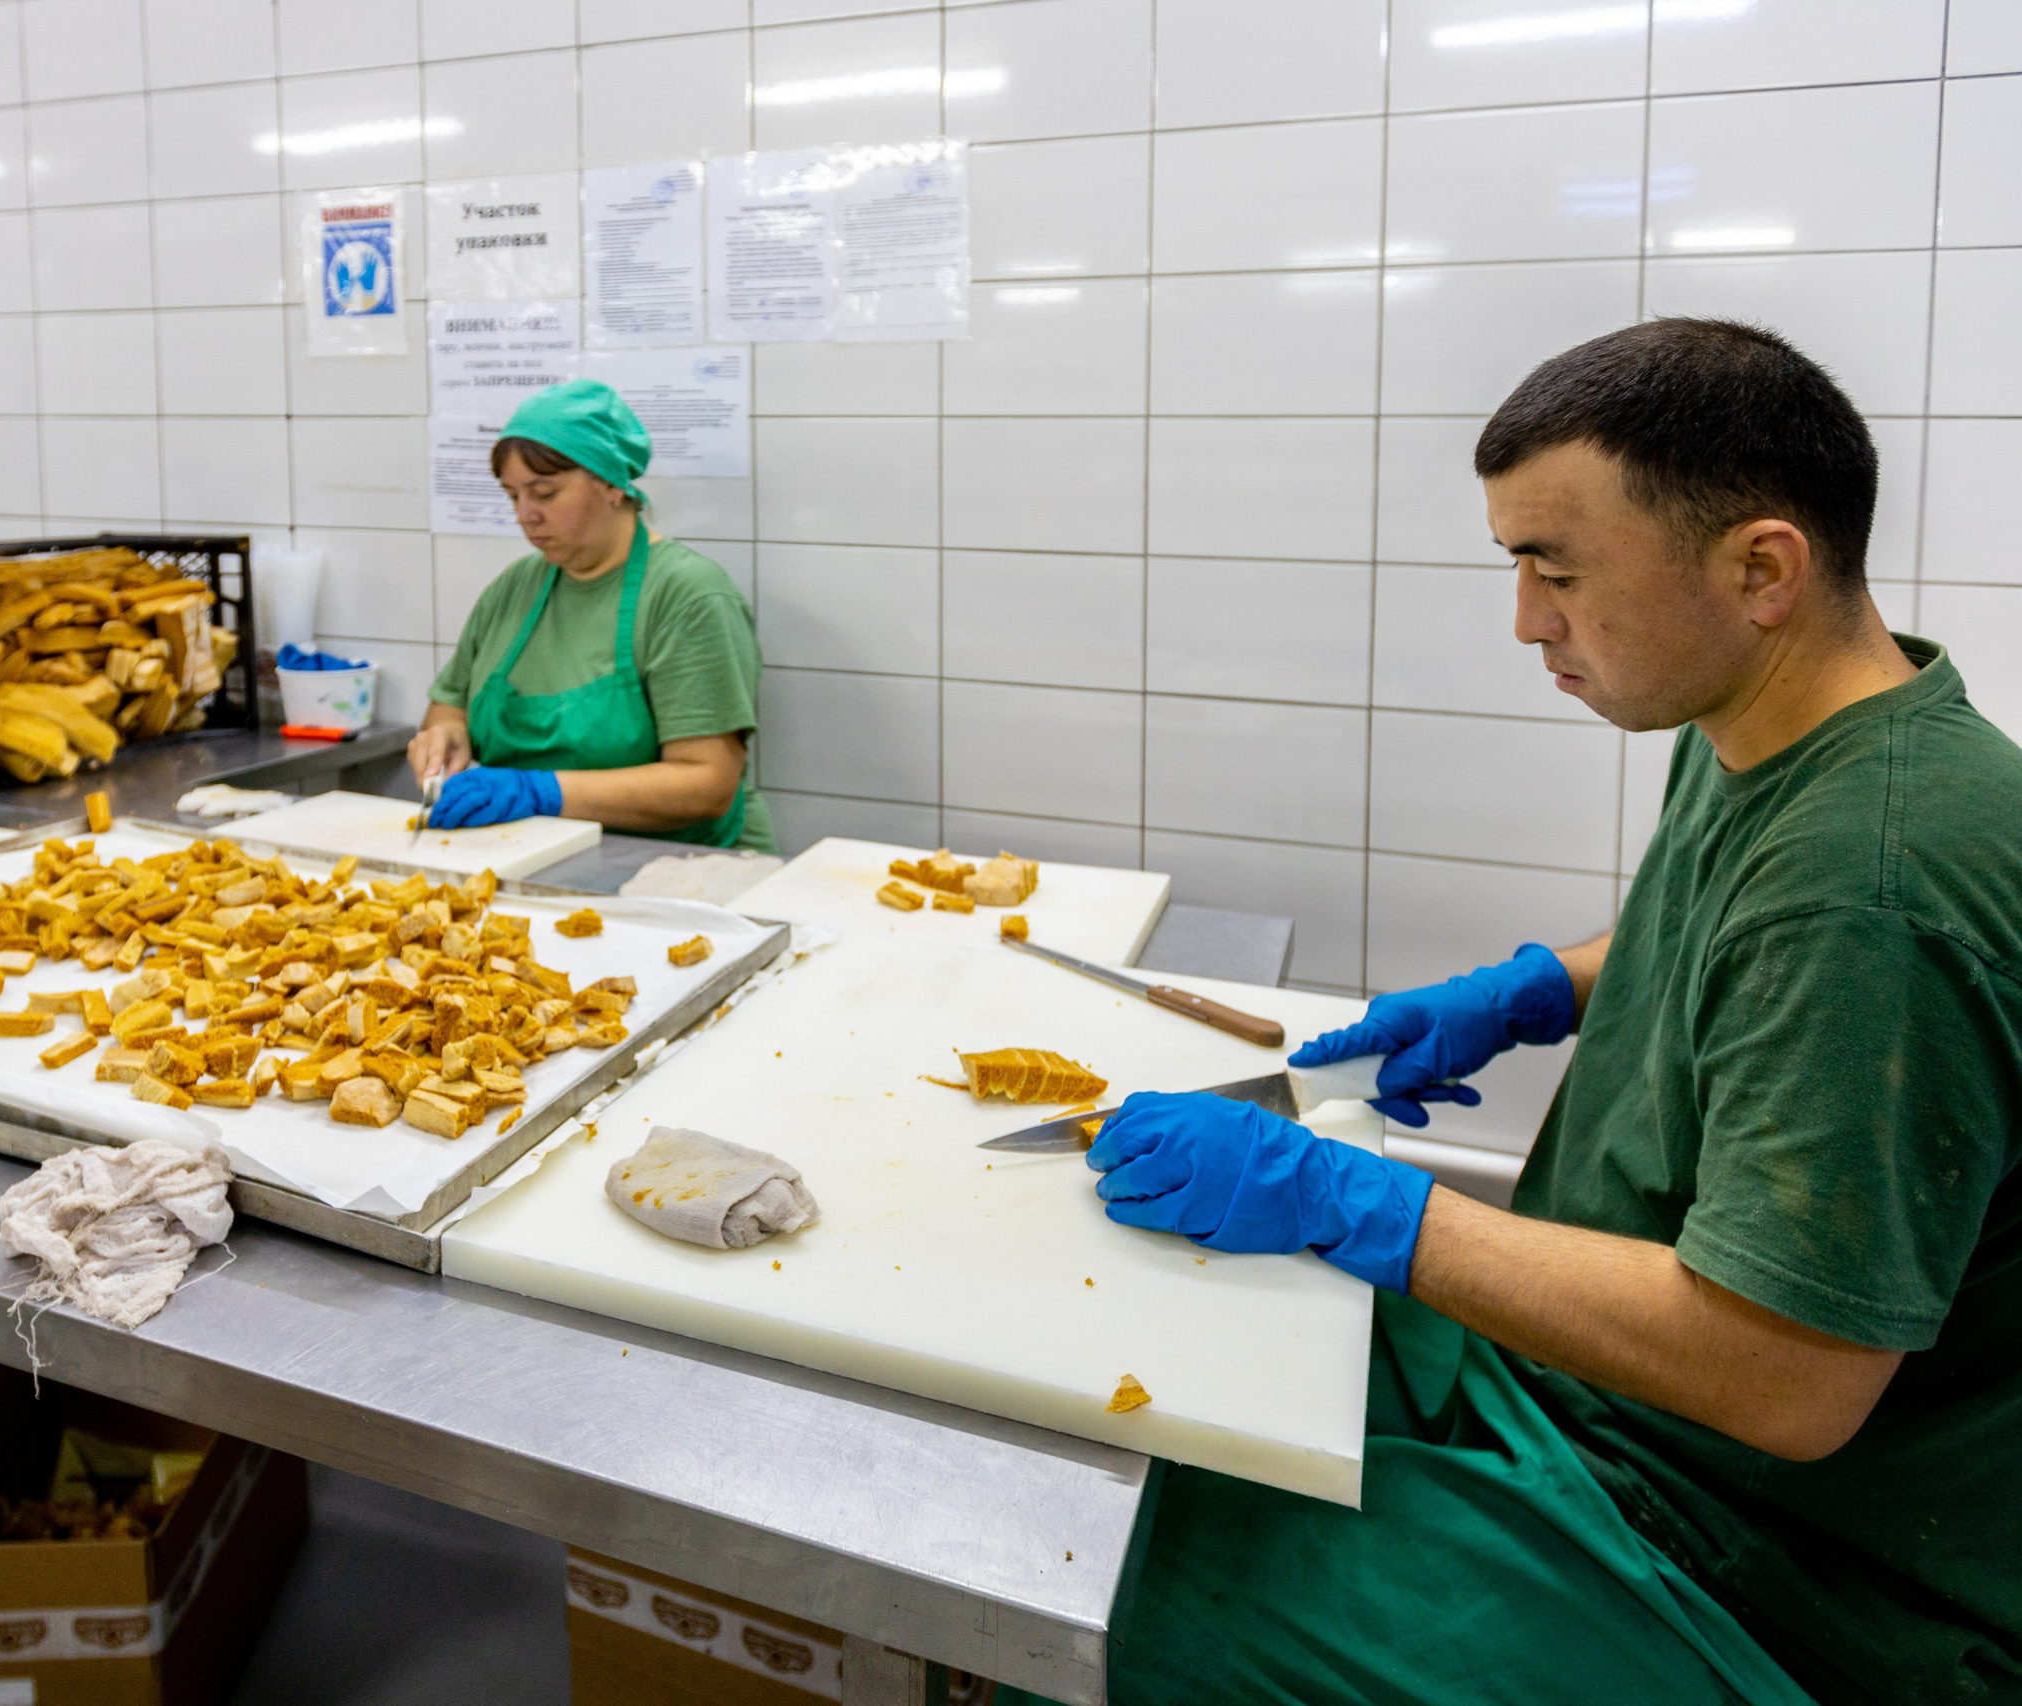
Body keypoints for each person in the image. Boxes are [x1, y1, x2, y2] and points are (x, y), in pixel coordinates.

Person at [1023, 320, 2022, 1705]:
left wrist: (1363, 1205)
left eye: (1558, 573)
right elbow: (1733, 940)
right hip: (1605, 1405)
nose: (1528, 622)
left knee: (1118, 1591)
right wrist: (1543, 986)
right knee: (1185, 1398)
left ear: (1762, 568)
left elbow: (1783, 1377)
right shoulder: (1790, 726)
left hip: (1767, 1559)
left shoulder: (1875, 882)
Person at [407, 378, 776, 852]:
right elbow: (449, 704)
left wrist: (539, 792)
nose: (524, 515)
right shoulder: (515, 587)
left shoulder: (687, 596)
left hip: (687, 870)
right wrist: (446, 738)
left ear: (610, 486)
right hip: (534, 856)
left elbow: (706, 784)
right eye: (512, 495)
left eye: (544, 493)